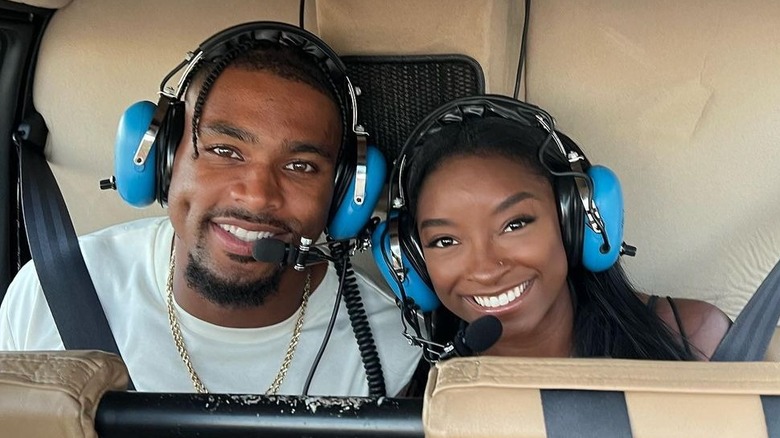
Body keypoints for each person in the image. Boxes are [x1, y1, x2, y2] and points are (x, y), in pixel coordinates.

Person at [0, 22, 421, 397]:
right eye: (225, 150)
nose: (257, 196)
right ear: (164, 161)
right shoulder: (49, 295)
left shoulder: (389, 344)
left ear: (344, 193)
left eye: (300, 166)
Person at [375, 95, 731, 361]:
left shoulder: (696, 338)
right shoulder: (421, 392)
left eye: (514, 224)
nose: (484, 268)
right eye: (445, 240)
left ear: (575, 222)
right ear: (411, 261)